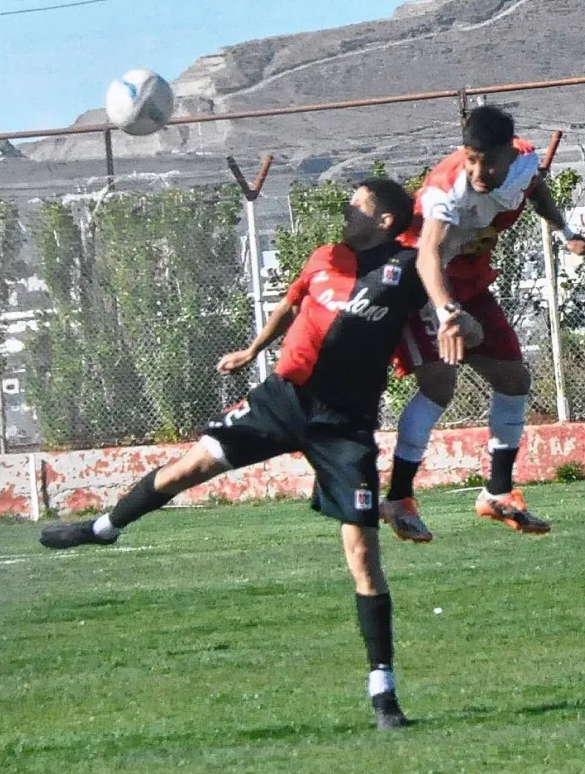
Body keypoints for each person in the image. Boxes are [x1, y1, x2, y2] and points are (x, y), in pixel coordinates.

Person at [39, 178, 432, 731]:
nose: (346, 211)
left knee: (363, 557)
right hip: (281, 400)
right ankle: (103, 527)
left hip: (344, 426)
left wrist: (457, 314)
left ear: (386, 221)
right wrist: (253, 348)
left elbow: (445, 274)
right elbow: (291, 302)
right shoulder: (326, 258)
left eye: (357, 206)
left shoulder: (406, 267)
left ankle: (383, 693)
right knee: (187, 468)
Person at [380, 105, 585, 545]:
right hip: (423, 284)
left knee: (514, 379)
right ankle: (399, 498)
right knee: (439, 385)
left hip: (470, 282)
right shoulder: (447, 190)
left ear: (508, 152)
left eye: (489, 161)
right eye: (471, 159)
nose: (480, 171)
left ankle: (497, 493)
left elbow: (535, 189)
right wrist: (447, 312)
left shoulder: (522, 163)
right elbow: (428, 256)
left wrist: (565, 232)